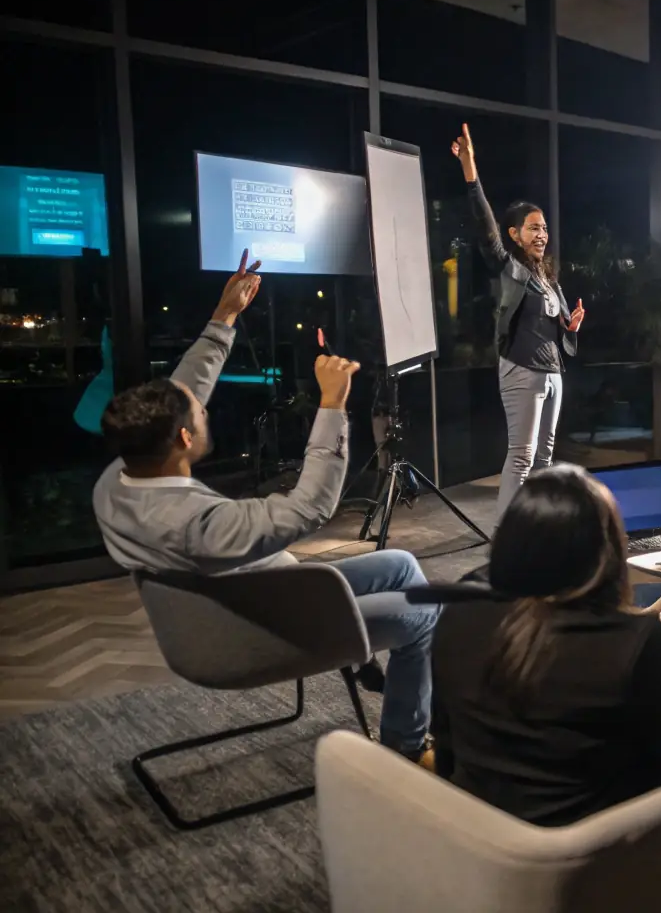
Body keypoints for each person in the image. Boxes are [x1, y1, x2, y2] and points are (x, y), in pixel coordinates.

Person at [92, 251, 438, 765]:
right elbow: (310, 506)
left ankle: (376, 669)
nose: (204, 409)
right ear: (186, 437)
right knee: (425, 612)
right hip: (261, 628)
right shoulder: (201, 525)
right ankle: (407, 746)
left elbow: (184, 390)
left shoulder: (117, 481)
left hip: (254, 591)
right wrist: (332, 405)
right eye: (200, 414)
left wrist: (224, 316)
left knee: (402, 566)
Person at [428, 464, 661, 827]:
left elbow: (446, 745)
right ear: (609, 553)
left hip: (479, 837)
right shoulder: (636, 642)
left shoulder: (458, 611)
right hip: (594, 857)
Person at [452, 124, 585, 521]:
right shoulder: (510, 267)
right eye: (533, 228)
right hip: (522, 370)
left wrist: (570, 326)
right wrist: (470, 169)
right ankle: (508, 534)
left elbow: (554, 322)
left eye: (544, 228)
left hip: (552, 372)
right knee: (522, 456)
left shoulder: (546, 276)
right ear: (515, 234)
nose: (542, 234)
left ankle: (537, 527)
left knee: (544, 457)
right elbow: (486, 229)